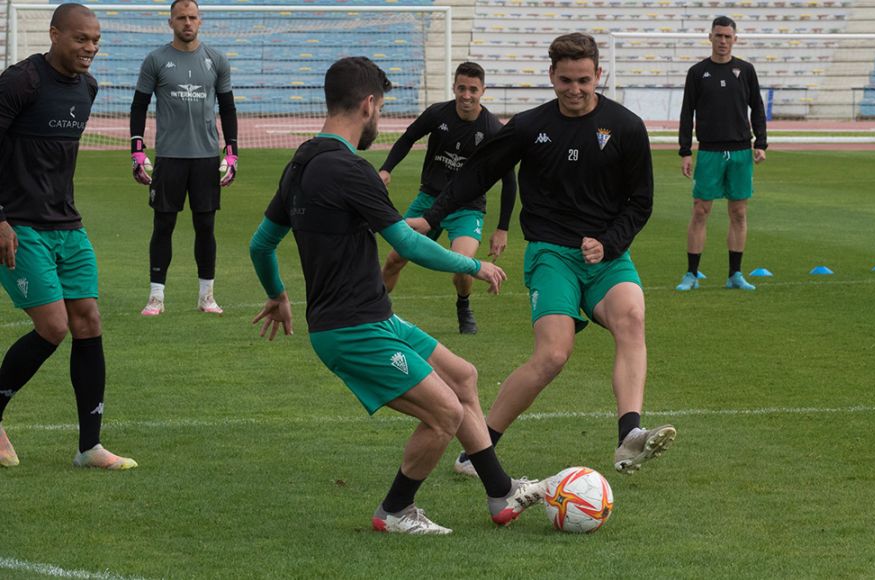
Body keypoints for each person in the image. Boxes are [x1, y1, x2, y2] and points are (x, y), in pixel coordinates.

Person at [248, 57, 547, 535]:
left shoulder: (299, 163)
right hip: (352, 331)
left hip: (372, 317)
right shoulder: (351, 169)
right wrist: (475, 264)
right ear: (368, 104)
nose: (380, 119)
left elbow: (261, 244)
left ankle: (500, 492)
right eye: (381, 108)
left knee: (463, 376)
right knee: (445, 413)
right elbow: (406, 245)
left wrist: (278, 295)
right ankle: (395, 511)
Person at [407, 33, 676, 477]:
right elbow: (478, 174)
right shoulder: (530, 126)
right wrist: (433, 215)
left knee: (631, 318)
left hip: (606, 255)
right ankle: (479, 451)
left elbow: (640, 201)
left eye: (584, 80)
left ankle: (630, 436)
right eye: (566, 80)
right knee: (553, 355)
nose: (575, 90)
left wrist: (609, 242)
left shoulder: (626, 127)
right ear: (551, 76)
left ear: (598, 75)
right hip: (551, 252)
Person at [0, 3, 137, 470]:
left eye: (96, 40)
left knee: (88, 320)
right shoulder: (20, 82)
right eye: (81, 39)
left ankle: (89, 447)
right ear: (55, 34)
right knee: (53, 326)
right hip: (18, 225)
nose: (90, 48)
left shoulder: (88, 87)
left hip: (68, 226)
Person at [379, 62, 517, 334]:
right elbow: (408, 138)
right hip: (428, 199)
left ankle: (463, 306)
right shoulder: (437, 114)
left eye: (473, 90)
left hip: (467, 208)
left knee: (463, 267)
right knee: (395, 259)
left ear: (483, 91)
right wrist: (386, 168)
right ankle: (375, 312)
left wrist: (502, 228)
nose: (467, 95)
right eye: (462, 88)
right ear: (454, 87)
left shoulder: (492, 129)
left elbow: (509, 179)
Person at [129, 0, 238, 316]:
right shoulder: (156, 60)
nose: (187, 23)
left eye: (192, 17)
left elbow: (228, 108)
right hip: (169, 156)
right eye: (181, 18)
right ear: (170, 22)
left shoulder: (216, 60)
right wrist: (137, 149)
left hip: (205, 157)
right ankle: (156, 298)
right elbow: (139, 105)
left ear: (200, 21)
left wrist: (231, 152)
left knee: (206, 226)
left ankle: (207, 296)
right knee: (163, 226)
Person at [676, 15, 767, 292]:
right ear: (710, 37)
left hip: (740, 151)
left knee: (739, 212)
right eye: (719, 36)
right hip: (710, 152)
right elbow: (686, 112)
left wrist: (760, 143)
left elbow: (758, 108)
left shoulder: (746, 70)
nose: (723, 41)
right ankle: (691, 274)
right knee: (701, 210)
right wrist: (685, 151)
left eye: (728, 36)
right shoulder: (697, 72)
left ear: (735, 39)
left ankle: (735, 275)